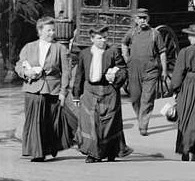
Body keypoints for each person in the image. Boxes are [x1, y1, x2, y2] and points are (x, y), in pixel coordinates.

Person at [14, 16, 72, 161]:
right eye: (48, 30)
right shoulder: (29, 47)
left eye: (53, 30)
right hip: (32, 88)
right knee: (34, 121)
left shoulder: (60, 48)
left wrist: (63, 92)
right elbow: (19, 65)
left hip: (52, 89)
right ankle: (37, 153)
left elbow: (66, 72)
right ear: (40, 31)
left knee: (49, 122)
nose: (52, 33)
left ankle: (48, 148)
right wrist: (26, 72)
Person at [72, 25, 133, 163]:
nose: (103, 41)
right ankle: (93, 154)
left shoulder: (113, 52)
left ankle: (110, 151)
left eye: (105, 37)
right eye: (99, 38)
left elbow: (123, 69)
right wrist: (76, 94)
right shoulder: (85, 54)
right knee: (90, 123)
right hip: (90, 91)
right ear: (92, 39)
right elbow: (79, 74)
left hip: (109, 91)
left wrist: (115, 77)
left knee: (109, 123)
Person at [121, 8, 168, 136]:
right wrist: (127, 58)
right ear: (136, 20)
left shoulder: (155, 34)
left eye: (144, 18)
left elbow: (162, 52)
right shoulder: (132, 33)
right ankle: (140, 117)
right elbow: (124, 44)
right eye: (140, 18)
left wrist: (164, 69)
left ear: (148, 19)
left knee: (147, 99)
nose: (142, 20)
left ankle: (143, 125)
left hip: (151, 71)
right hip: (134, 69)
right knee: (135, 97)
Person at [171, 24, 195, 162]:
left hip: (188, 85)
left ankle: (186, 147)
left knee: (187, 116)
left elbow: (178, 74)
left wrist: (175, 89)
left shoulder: (185, 52)